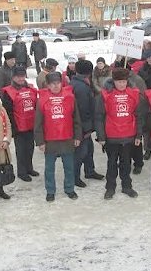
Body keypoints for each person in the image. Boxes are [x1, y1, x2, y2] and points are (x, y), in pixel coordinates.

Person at [95, 67, 143, 199]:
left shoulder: (133, 93)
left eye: (124, 81)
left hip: (128, 136)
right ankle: (110, 187)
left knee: (126, 163)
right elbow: (99, 117)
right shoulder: (105, 95)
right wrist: (101, 136)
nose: (122, 84)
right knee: (111, 164)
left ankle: (127, 186)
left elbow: (138, 115)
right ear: (113, 81)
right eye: (119, 82)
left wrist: (138, 134)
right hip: (111, 137)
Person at [34, 72, 82, 202]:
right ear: (48, 85)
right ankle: (50, 190)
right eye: (52, 84)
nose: (55, 86)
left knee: (69, 167)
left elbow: (76, 118)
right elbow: (38, 122)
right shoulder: (42, 100)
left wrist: (78, 136)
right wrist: (40, 141)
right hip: (50, 140)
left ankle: (69, 189)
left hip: (67, 138)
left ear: (62, 83)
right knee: (49, 168)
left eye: (58, 83)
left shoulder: (70, 97)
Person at [69, 59, 104, 188]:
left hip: (83, 125)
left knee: (89, 149)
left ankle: (90, 171)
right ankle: (75, 177)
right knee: (80, 152)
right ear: (89, 72)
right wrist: (87, 128)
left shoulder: (77, 82)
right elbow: (83, 110)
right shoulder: (82, 87)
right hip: (83, 126)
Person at [2, 66, 39, 182]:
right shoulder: (8, 92)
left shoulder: (31, 89)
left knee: (30, 147)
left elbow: (36, 105)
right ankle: (22, 171)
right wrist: (13, 127)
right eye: (18, 76)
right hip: (18, 126)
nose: (21, 79)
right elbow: (8, 111)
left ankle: (29, 168)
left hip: (31, 123)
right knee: (21, 149)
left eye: (23, 76)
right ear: (13, 77)